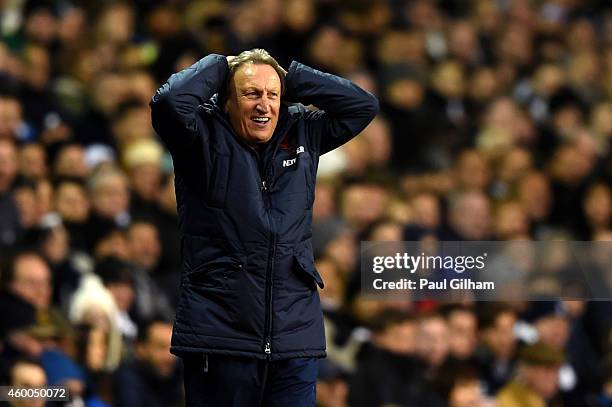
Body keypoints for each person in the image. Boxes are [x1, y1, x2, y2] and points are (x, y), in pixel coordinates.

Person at [150, 48, 378, 406]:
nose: (264, 105)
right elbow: (168, 103)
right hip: (222, 334)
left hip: (294, 339)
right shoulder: (200, 136)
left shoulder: (304, 131)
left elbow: (362, 106)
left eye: (272, 95)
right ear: (227, 99)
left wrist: (293, 77)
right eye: (251, 93)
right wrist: (222, 66)